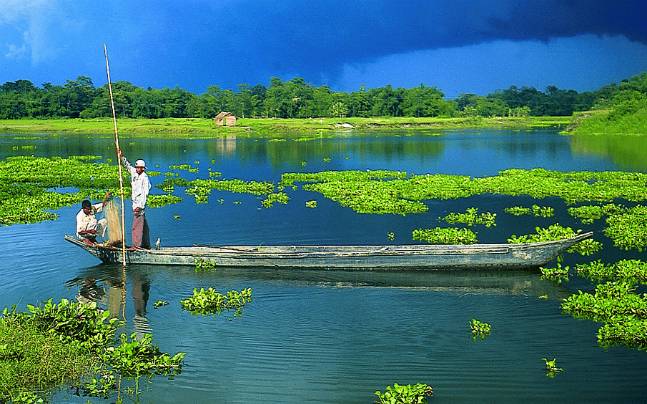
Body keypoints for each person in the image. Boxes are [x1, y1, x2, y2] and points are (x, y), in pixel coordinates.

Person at [118, 148, 152, 249]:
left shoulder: (145, 178)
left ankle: (136, 246)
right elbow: (127, 165)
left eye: (139, 168)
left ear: (143, 168)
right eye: (136, 167)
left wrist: (140, 207)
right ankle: (146, 244)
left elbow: (145, 193)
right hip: (135, 203)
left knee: (136, 226)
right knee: (143, 225)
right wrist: (121, 156)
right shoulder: (134, 173)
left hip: (139, 205)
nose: (137, 169)